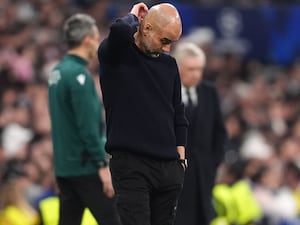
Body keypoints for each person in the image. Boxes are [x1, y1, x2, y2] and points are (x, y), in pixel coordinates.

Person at [98, 2, 188, 225]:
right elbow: (119, 32)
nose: (167, 48)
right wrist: (132, 16)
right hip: (131, 166)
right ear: (146, 28)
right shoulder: (115, 55)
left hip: (168, 169)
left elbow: (178, 111)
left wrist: (181, 159)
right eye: (164, 40)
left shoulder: (169, 64)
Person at [48, 14, 120, 225]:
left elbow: (61, 125)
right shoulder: (79, 76)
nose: (97, 44)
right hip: (86, 167)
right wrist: (101, 164)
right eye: (96, 38)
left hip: (65, 168)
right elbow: (88, 128)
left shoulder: (56, 73)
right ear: (87, 39)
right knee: (114, 220)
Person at [172, 42, 227, 225]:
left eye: (199, 69)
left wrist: (213, 163)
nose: (196, 74)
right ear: (178, 68)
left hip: (203, 176)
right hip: (175, 176)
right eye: (191, 69)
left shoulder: (209, 92)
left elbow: (219, 132)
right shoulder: (166, 92)